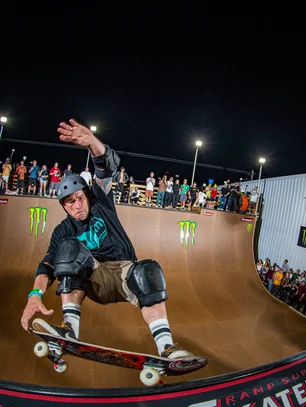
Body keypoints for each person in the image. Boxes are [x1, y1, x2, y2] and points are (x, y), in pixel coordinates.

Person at [21, 118, 192, 361]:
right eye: (70, 202)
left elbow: (105, 165)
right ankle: (69, 331)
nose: (78, 205)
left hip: (125, 272)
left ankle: (167, 347)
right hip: (94, 279)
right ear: (63, 206)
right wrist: (35, 295)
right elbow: (47, 265)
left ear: (87, 195)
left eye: (80, 198)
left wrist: (91, 142)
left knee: (148, 270)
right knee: (67, 249)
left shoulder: (101, 201)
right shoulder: (63, 230)